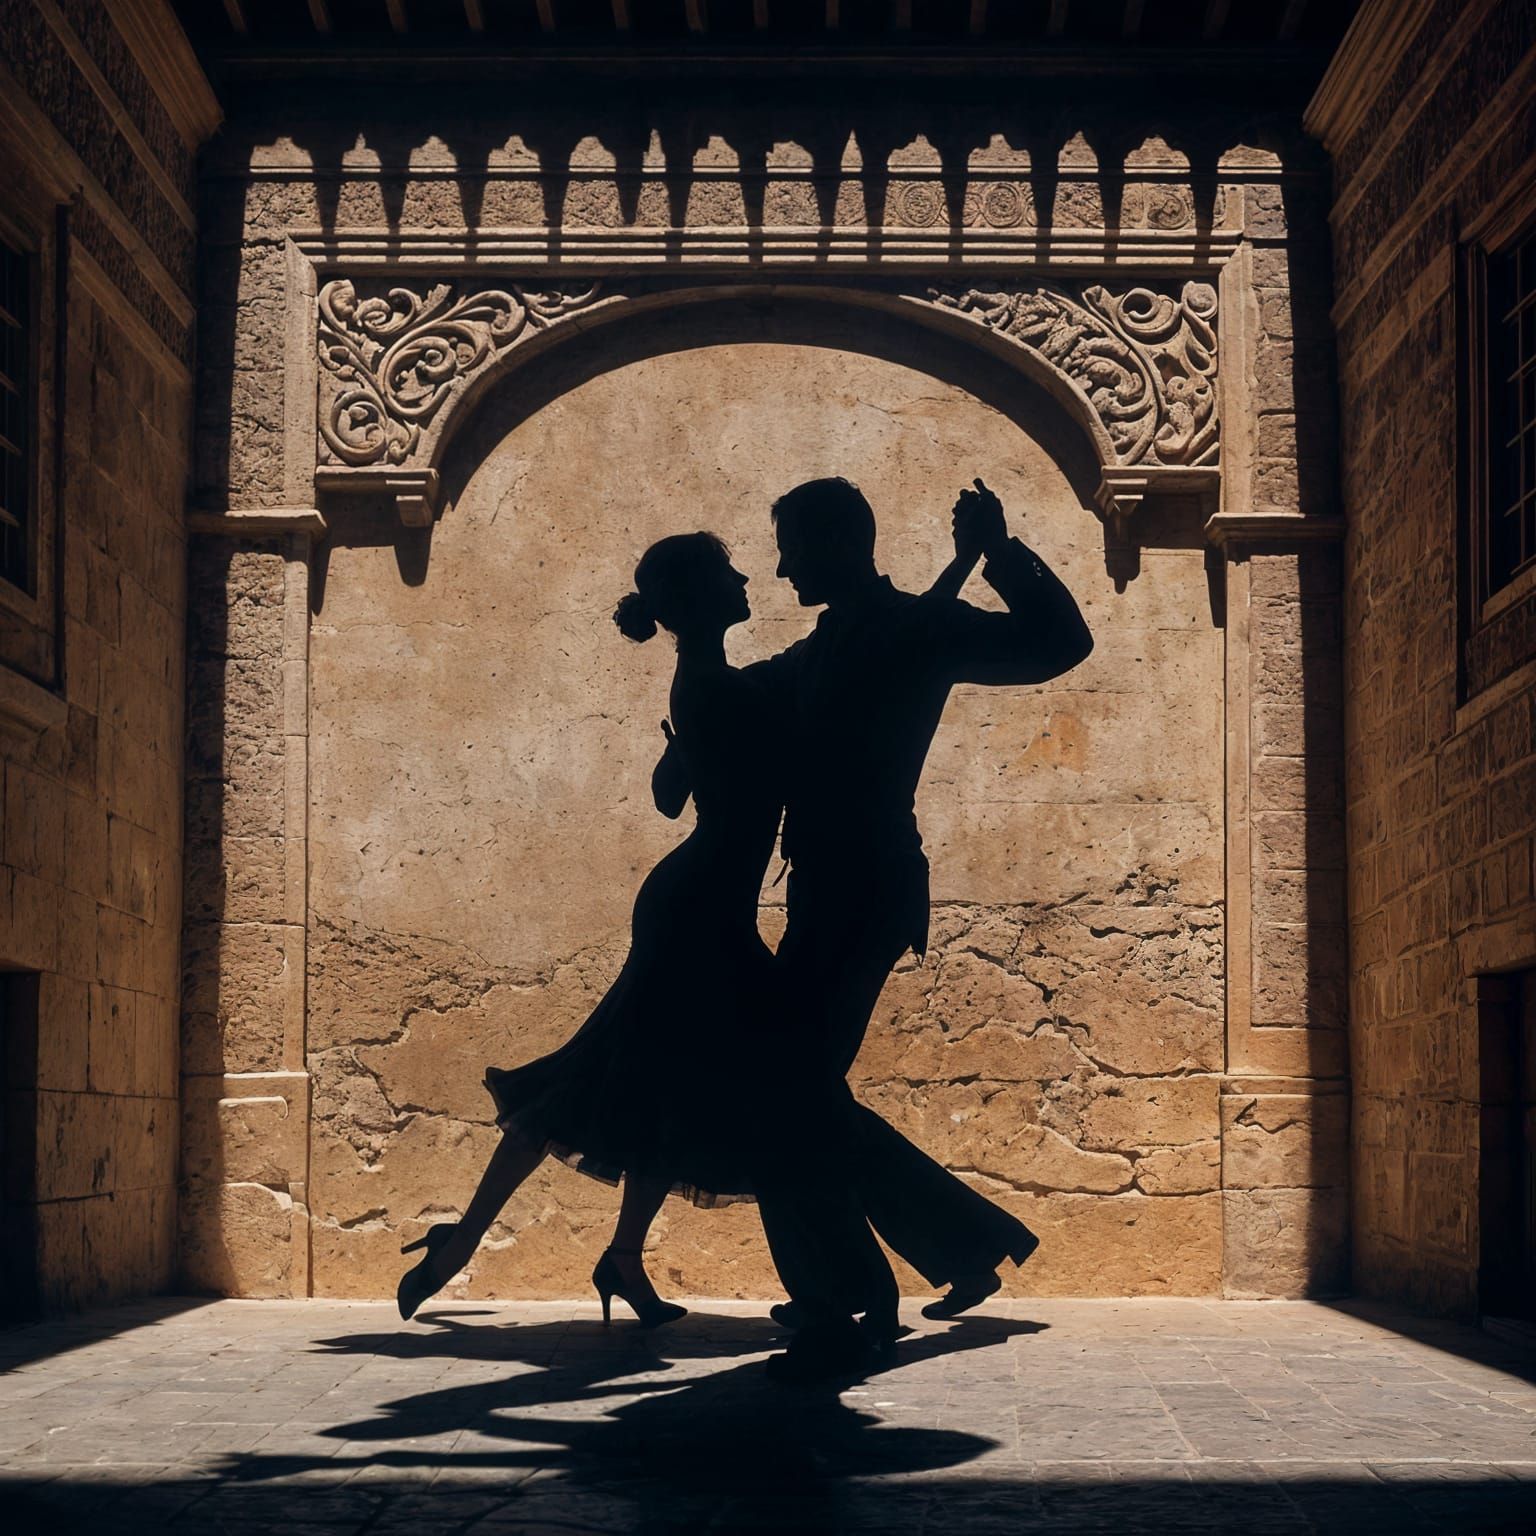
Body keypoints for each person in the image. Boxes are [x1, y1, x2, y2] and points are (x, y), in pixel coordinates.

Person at [653, 476, 1094, 1341]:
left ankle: (846, 1293)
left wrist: (997, 553)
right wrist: (685, 665)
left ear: (838, 545)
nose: (779, 571)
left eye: (790, 550)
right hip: (826, 892)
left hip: (870, 890)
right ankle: (961, 1246)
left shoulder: (918, 628)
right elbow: (735, 705)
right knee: (798, 1087)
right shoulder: (822, 652)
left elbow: (1059, 641)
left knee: (783, 1087)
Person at [396, 532, 793, 1332]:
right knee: (601, 1079)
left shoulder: (705, 684)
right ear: (697, 599)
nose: (746, 577)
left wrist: (683, 758)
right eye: (727, 573)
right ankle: (466, 1242)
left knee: (655, 1088)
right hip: (699, 914)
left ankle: (610, 1257)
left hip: (701, 904)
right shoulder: (721, 688)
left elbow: (666, 799)